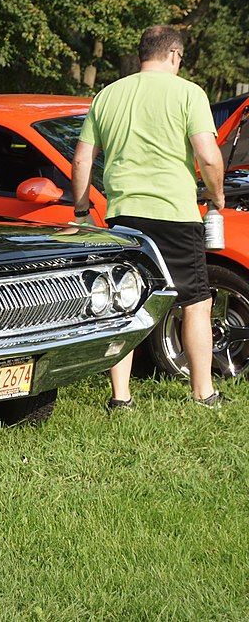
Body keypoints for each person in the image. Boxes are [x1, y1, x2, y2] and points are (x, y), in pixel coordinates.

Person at [71, 25, 227, 409]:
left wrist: (81, 210)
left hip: (124, 213)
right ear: (174, 55)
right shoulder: (189, 93)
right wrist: (217, 194)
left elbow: (81, 159)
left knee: (125, 301)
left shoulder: (107, 95)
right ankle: (203, 392)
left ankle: (120, 398)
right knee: (195, 302)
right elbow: (208, 156)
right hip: (174, 212)